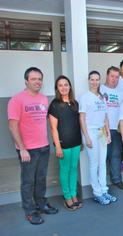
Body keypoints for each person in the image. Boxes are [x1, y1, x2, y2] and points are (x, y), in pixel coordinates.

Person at [8, 67, 58, 225]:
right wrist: (22, 148)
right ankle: (30, 211)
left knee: (41, 179)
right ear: (26, 80)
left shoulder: (44, 99)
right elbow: (13, 126)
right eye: (34, 79)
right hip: (27, 149)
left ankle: (41, 204)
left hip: (43, 146)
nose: (37, 82)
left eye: (40, 79)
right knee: (28, 181)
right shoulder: (17, 100)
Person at [79, 71, 117, 205]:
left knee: (102, 164)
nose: (95, 82)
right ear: (89, 80)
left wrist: (108, 133)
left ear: (99, 80)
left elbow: (105, 116)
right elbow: (82, 118)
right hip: (91, 133)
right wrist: (87, 137)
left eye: (97, 79)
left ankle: (104, 190)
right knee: (94, 164)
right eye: (92, 79)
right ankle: (97, 193)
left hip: (102, 133)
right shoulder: (84, 97)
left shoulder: (101, 97)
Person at [48, 76, 83, 211]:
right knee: (65, 169)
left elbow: (78, 124)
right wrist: (58, 146)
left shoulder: (75, 103)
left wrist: (81, 141)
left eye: (66, 85)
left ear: (69, 86)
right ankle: (67, 196)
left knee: (74, 168)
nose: (63, 87)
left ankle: (74, 195)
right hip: (63, 145)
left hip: (75, 143)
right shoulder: (54, 105)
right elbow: (53, 128)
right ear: (57, 88)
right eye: (60, 85)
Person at [100, 66, 123, 190]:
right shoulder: (99, 90)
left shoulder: (121, 94)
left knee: (116, 155)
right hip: (102, 129)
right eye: (112, 76)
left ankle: (116, 179)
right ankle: (101, 182)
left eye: (116, 77)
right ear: (106, 76)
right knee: (102, 157)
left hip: (116, 129)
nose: (114, 79)